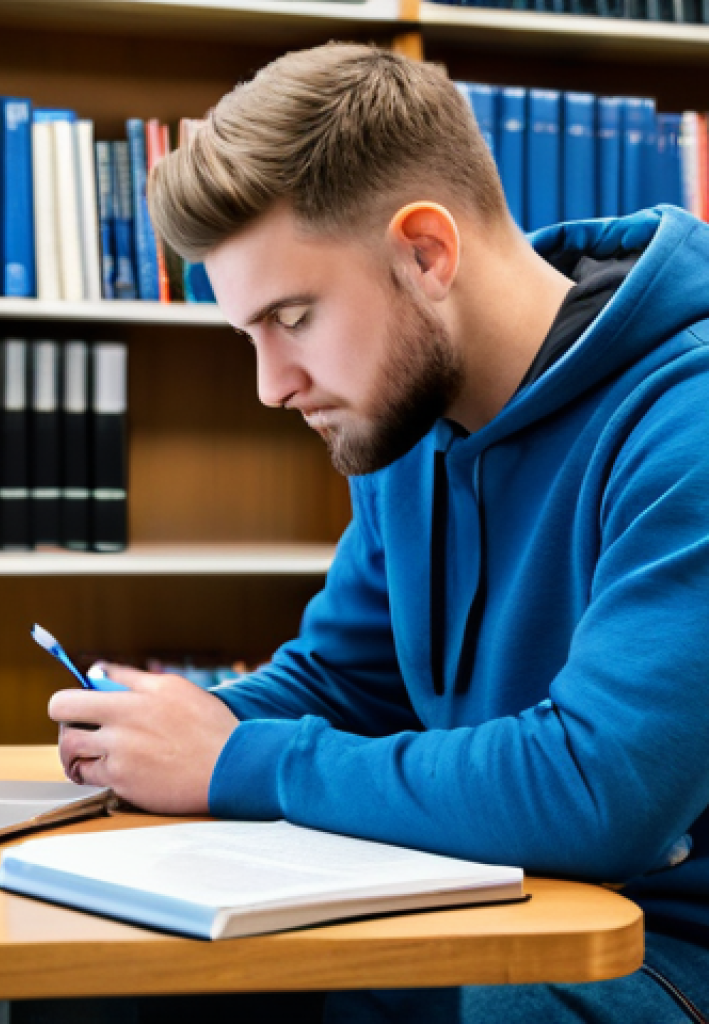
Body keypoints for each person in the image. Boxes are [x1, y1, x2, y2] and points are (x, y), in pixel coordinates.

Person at [49, 43, 709, 1023]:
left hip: (652, 949)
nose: (273, 385)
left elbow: (597, 789)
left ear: (425, 253)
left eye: (294, 317)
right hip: (481, 905)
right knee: (108, 967)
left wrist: (233, 763)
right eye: (250, 335)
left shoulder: (684, 420)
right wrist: (172, 729)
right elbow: (347, 681)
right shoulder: (406, 416)